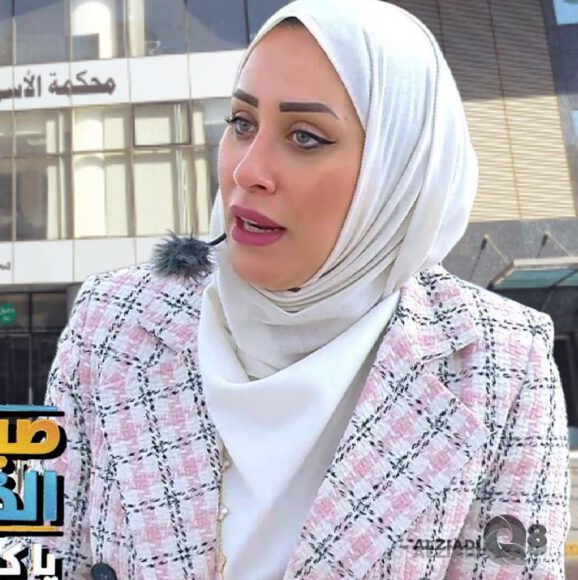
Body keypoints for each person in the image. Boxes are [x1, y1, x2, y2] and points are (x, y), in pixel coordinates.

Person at [33, 0, 570, 578]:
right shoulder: (112, 320)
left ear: (398, 171)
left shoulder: (499, 367)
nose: (247, 170)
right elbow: (37, 552)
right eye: (242, 123)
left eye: (306, 137)